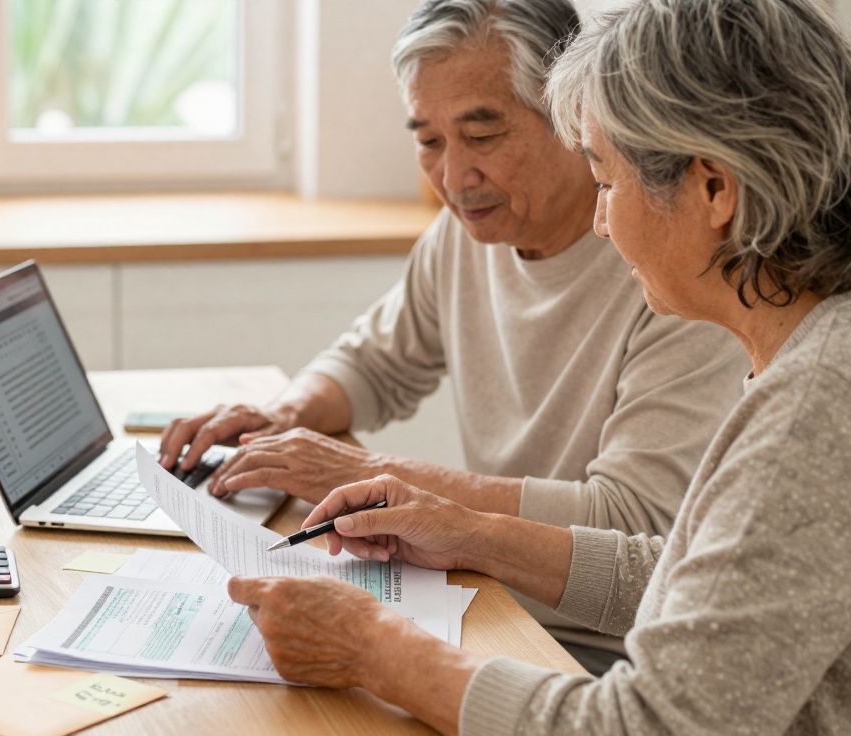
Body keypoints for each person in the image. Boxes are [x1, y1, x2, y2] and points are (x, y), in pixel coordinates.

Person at [227, 0, 851, 732]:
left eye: (609, 180)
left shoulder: (826, 403)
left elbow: (642, 727)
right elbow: (688, 580)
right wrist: (469, 533)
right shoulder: (850, 328)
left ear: (713, 188)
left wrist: (371, 645)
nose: (599, 217)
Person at [159, 0, 746, 674]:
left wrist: (375, 475)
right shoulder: (470, 234)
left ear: (570, 115)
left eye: (483, 134)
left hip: (605, 651)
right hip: (496, 602)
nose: (453, 178)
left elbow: (633, 522)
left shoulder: (670, 266)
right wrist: (284, 420)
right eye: (429, 141)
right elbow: (376, 361)